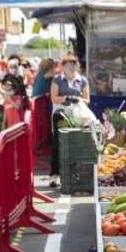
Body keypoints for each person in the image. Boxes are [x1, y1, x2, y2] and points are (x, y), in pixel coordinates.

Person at [49, 55, 90, 185]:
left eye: (74, 64)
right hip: (61, 114)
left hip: (77, 115)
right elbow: (54, 98)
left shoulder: (82, 80)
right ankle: (54, 175)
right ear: (63, 67)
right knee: (58, 143)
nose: (71, 67)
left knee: (76, 143)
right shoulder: (57, 80)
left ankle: (74, 174)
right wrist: (66, 98)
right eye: (68, 65)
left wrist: (78, 99)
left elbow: (87, 100)